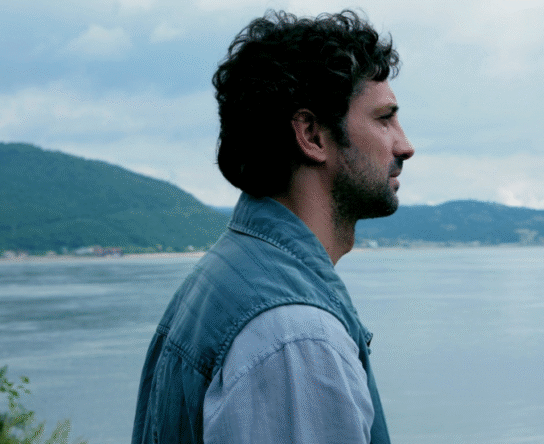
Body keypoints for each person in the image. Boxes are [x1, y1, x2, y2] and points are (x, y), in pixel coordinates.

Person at [132, 9, 413, 444]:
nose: (405, 145)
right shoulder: (296, 338)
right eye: (384, 119)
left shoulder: (230, 274)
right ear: (312, 135)